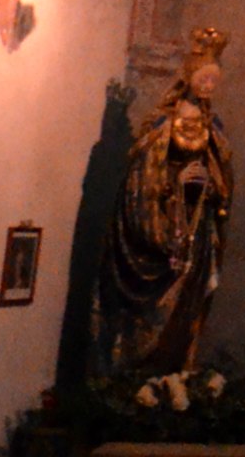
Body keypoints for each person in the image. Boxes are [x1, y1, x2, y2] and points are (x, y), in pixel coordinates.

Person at [89, 29, 236, 380]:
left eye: (214, 81)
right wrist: (176, 182)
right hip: (164, 223)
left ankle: (173, 372)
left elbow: (223, 178)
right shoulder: (164, 124)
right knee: (157, 304)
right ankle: (139, 376)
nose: (209, 87)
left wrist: (212, 185)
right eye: (203, 79)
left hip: (197, 228)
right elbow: (143, 176)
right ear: (189, 76)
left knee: (188, 303)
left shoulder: (213, 126)